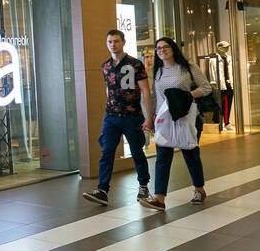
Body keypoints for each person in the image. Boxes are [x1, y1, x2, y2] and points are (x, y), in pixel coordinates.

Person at [82, 29, 152, 206]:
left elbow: (145, 90)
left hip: (132, 116)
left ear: (123, 42)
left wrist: (149, 117)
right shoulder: (105, 66)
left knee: (137, 152)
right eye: (110, 42)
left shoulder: (135, 64)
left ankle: (143, 186)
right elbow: (109, 88)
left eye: (116, 41)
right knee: (106, 152)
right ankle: (102, 190)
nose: (113, 44)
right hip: (111, 117)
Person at [141, 37, 210, 211]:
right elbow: (155, 97)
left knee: (190, 155)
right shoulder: (157, 71)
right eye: (158, 48)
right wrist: (150, 118)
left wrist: (188, 95)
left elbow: (206, 87)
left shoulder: (188, 67)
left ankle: (199, 190)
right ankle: (159, 198)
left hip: (187, 117)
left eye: (165, 47)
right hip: (165, 119)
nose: (161, 50)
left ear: (172, 48)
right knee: (162, 157)